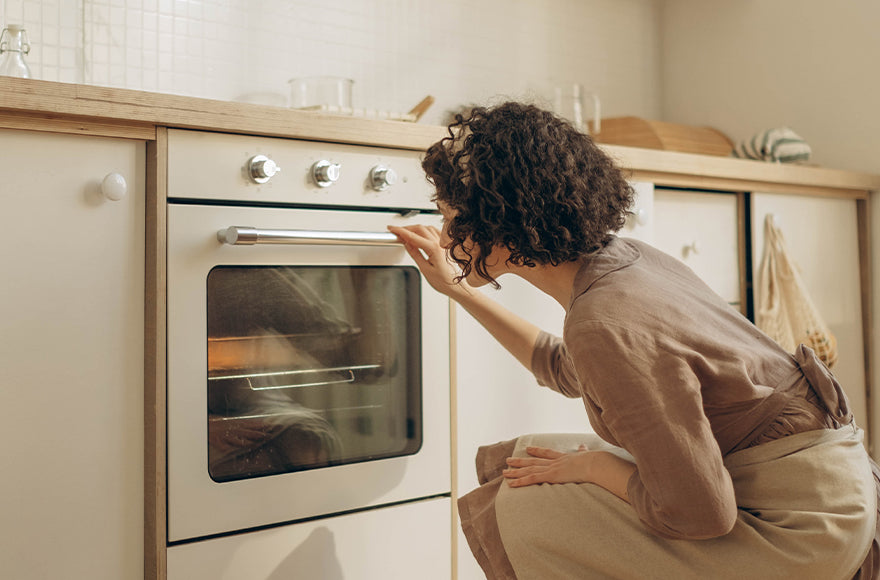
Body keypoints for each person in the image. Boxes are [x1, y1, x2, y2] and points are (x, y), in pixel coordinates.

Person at [388, 101, 880, 580]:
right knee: (526, 462)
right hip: (834, 493)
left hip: (800, 533)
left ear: (501, 224)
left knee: (525, 504)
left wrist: (597, 465)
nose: (447, 235)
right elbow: (565, 368)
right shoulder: (628, 262)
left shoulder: (602, 320)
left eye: (454, 220)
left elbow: (701, 513)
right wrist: (456, 289)